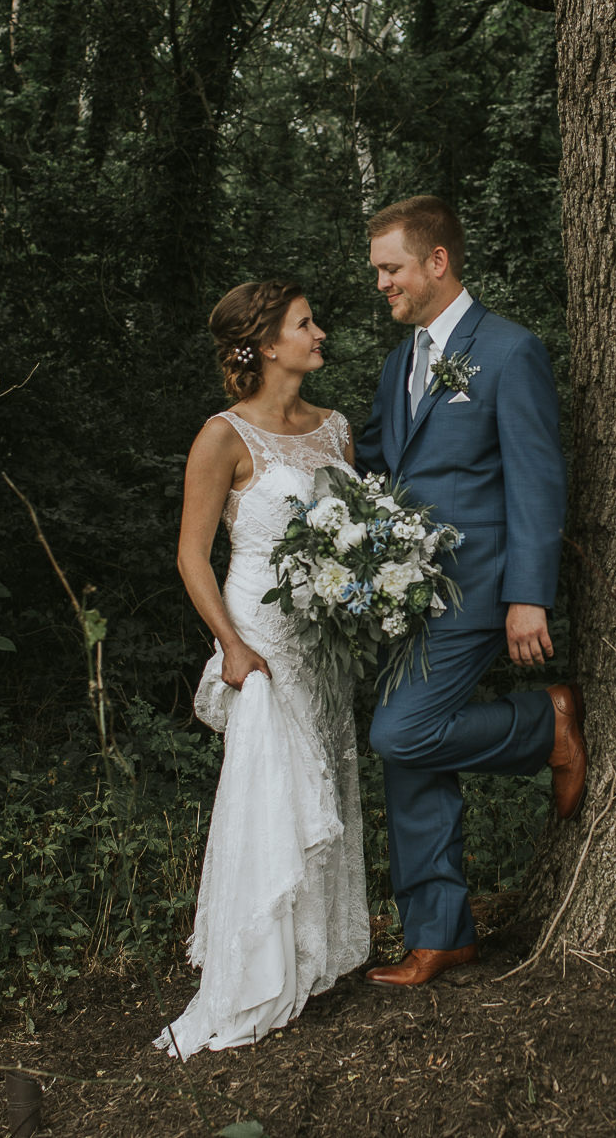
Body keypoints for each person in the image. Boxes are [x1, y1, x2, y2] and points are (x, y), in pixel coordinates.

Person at [356, 195, 587, 988]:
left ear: (437, 261)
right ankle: (441, 933)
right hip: (407, 593)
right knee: (410, 761)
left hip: (480, 584)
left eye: (390, 268)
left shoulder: (511, 350)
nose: (382, 283)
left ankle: (545, 721)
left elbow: (536, 475)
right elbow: (379, 464)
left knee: (401, 733)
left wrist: (530, 594)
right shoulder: (400, 363)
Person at [156, 281, 369, 1056]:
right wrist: (232, 646)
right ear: (269, 345)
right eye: (306, 324)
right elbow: (192, 555)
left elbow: (353, 534)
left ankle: (312, 955)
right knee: (272, 786)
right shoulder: (223, 436)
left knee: (323, 779)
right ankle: (255, 971)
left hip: (322, 640)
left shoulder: (336, 429)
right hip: (261, 635)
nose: (321, 333)